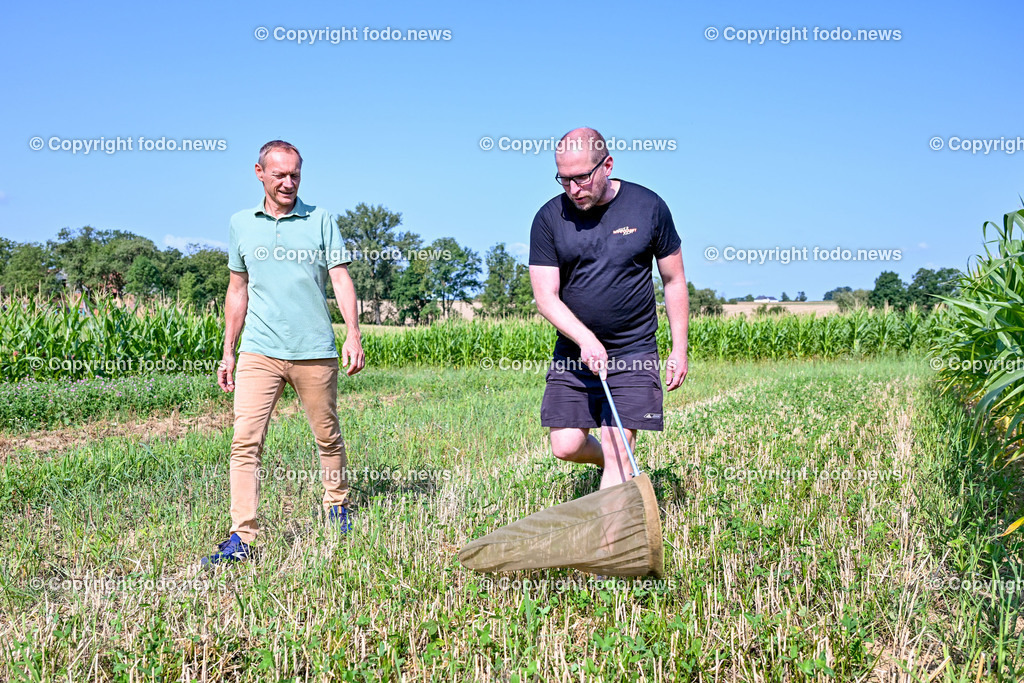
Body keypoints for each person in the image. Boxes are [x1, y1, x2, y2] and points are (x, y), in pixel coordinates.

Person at [202, 140, 365, 566]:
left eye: (295, 175)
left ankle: (337, 504)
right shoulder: (241, 223)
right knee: (245, 442)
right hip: (259, 349)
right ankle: (242, 536)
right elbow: (237, 290)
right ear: (259, 173)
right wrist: (228, 351)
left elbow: (340, 278)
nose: (289, 183)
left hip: (314, 349)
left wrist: (353, 333)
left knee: (327, 435)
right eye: (279, 175)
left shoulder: (320, 219)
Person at [529, 127, 688, 491]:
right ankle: (615, 464)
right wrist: (585, 339)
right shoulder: (549, 218)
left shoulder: (648, 207)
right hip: (575, 353)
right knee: (566, 446)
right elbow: (545, 297)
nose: (573, 189)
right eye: (564, 179)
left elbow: (674, 280)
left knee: (618, 452)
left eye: (581, 178)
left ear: (607, 165)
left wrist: (679, 348)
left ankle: (611, 516)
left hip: (634, 352)